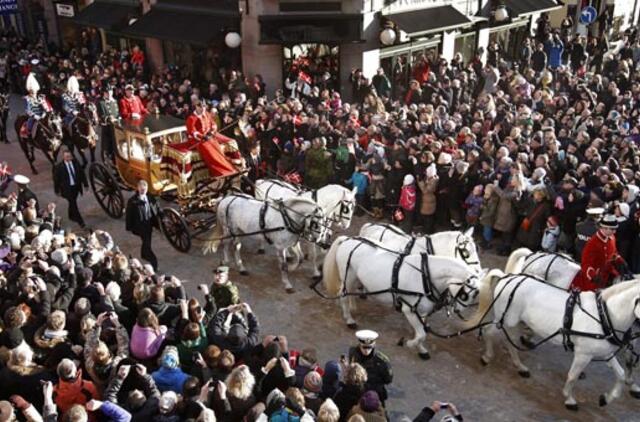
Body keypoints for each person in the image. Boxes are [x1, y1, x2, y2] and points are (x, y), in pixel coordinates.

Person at [571, 214, 625, 291]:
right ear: (604, 228)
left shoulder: (612, 238)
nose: (615, 231)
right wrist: (593, 276)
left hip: (608, 274)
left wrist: (619, 259)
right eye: (612, 229)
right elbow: (586, 263)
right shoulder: (593, 243)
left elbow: (613, 252)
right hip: (595, 279)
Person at [348, 330, 392, 406]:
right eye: (364, 347)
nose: (366, 350)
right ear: (359, 344)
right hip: (357, 395)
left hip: (375, 396)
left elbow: (388, 379)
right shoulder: (353, 353)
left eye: (369, 348)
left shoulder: (382, 361)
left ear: (374, 345)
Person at [125, 180, 160, 270]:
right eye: (141, 190)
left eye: (144, 190)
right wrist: (129, 228)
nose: (143, 191)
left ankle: (143, 254)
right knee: (147, 243)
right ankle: (154, 263)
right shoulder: (132, 202)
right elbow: (129, 215)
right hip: (140, 227)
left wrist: (162, 216)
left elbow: (156, 207)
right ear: (138, 189)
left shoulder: (150, 197)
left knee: (146, 242)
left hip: (149, 225)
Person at [53, 149, 88, 228]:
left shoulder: (76, 163)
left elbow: (82, 174)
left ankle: (71, 215)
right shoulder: (59, 167)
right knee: (73, 204)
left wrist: (85, 184)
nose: (68, 158)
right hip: (67, 189)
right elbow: (56, 180)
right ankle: (81, 222)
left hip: (76, 187)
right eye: (66, 157)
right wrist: (57, 190)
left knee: (72, 202)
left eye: (69, 156)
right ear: (63, 157)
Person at [23, 73, 52, 139]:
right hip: (34, 115)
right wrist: (34, 116)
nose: (32, 92)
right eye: (31, 91)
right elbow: (28, 109)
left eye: (33, 91)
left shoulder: (41, 97)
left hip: (42, 114)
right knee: (30, 122)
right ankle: (29, 134)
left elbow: (46, 105)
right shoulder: (27, 98)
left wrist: (46, 112)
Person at [97, 86, 119, 159]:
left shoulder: (114, 101)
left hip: (116, 126)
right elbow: (101, 115)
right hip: (107, 126)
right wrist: (109, 118)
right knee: (107, 144)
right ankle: (106, 156)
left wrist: (118, 118)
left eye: (110, 92)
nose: (109, 94)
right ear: (104, 93)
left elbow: (117, 113)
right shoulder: (101, 103)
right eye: (107, 93)